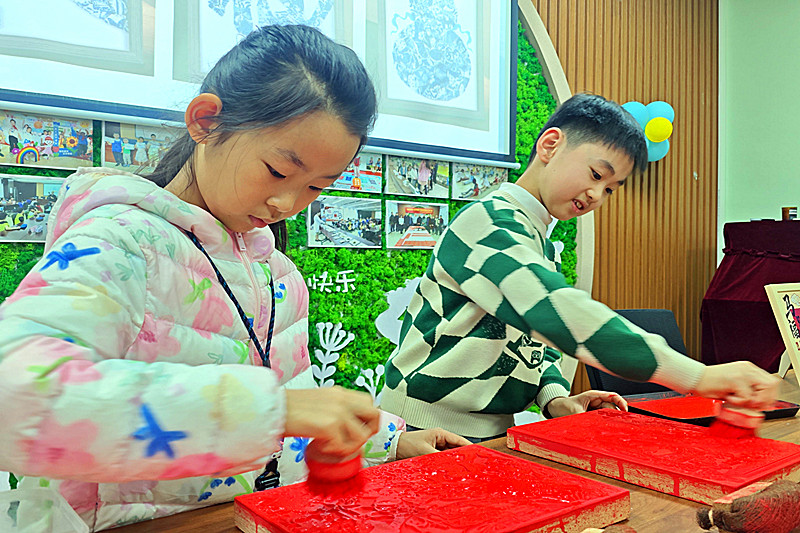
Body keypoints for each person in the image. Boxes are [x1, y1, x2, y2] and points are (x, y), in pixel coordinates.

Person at [0, 25, 468, 531]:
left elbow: (294, 402)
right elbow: (17, 395)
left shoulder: (277, 274)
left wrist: (387, 439)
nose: (288, 203)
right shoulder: (121, 243)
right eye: (276, 170)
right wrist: (266, 410)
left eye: (315, 186)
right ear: (206, 122)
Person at [380, 93, 779, 443]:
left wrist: (555, 398)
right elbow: (557, 313)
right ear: (550, 145)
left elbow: (532, 344)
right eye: (595, 175)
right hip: (421, 429)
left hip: (493, 431)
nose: (596, 195)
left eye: (609, 189)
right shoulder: (488, 222)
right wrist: (698, 378)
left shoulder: (537, 238)